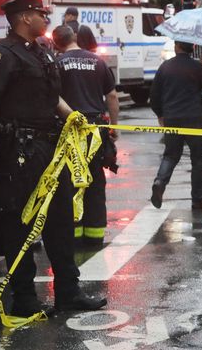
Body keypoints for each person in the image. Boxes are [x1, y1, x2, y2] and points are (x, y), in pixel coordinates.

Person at [0, 0, 106, 317]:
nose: (46, 18)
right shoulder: (3, 55)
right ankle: (25, 301)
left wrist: (75, 117)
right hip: (20, 152)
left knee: (59, 221)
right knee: (20, 225)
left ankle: (69, 294)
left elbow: (52, 97)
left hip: (50, 150)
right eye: (41, 13)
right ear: (25, 18)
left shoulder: (41, 52)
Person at [53, 25, 120, 250]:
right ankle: (94, 235)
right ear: (74, 38)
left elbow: (52, 98)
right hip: (96, 130)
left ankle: (74, 234)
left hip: (69, 131)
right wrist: (115, 127)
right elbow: (111, 95)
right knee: (95, 180)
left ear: (56, 44)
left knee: (71, 182)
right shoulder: (97, 62)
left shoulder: (57, 64)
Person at [149, 40, 202, 210]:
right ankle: (198, 199)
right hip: (193, 119)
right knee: (197, 159)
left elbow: (154, 96)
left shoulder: (165, 67)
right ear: (193, 48)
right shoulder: (196, 67)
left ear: (176, 47)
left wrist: (160, 114)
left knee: (170, 156)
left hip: (172, 118)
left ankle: (160, 182)